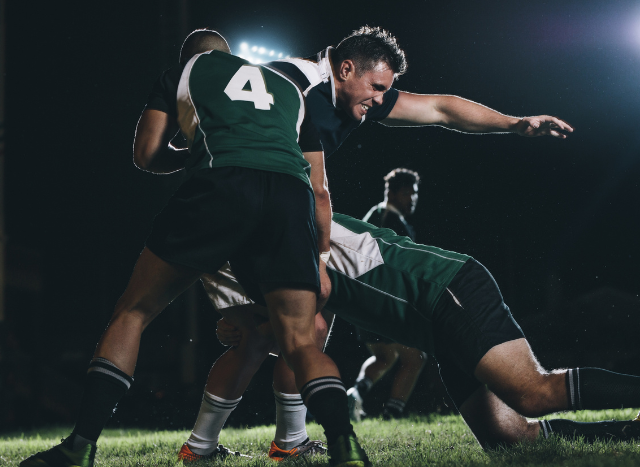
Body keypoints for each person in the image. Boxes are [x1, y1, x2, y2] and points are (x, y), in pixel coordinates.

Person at [182, 25, 574, 461]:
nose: (380, 98)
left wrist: (515, 124)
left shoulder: (340, 89)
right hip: (244, 215)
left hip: (269, 217)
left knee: (307, 327)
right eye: (375, 87)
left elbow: (441, 108)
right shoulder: (301, 88)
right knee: (260, 335)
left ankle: (281, 441)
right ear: (345, 68)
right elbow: (317, 191)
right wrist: (320, 259)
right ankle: (203, 446)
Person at [20, 30, 370, 467]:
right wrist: (318, 257)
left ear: (189, 58)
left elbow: (146, 154)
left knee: (133, 312)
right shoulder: (289, 87)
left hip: (222, 183)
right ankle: (345, 447)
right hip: (288, 194)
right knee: (301, 339)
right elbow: (319, 190)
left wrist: (194, 154)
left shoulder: (184, 73)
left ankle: (80, 447)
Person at [216, 212, 640, 451]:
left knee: (533, 392)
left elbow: (310, 312)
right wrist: (248, 325)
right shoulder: (256, 252)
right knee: (510, 439)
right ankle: (628, 431)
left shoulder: (289, 224)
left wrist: (257, 326)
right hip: (433, 327)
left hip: (446, 289)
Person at [348, 168, 427, 421]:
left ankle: (355, 394)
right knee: (415, 358)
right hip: (384, 303)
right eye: (406, 193)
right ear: (390, 193)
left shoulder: (374, 216)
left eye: (414, 194)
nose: (412, 199)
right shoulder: (388, 221)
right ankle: (393, 414)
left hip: (365, 303)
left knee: (384, 356)